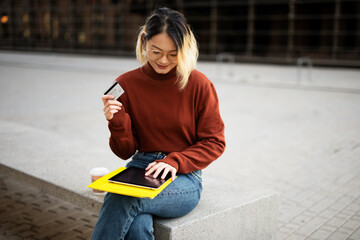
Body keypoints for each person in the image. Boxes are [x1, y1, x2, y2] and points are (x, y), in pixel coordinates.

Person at [92, 7, 225, 240]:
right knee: (136, 225)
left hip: (183, 177)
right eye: (156, 52)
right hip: (139, 168)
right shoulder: (125, 84)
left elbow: (215, 142)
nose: (163, 61)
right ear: (144, 43)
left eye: (173, 54)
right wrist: (117, 121)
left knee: (121, 197)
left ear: (184, 50)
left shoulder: (199, 84)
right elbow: (124, 152)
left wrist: (175, 160)